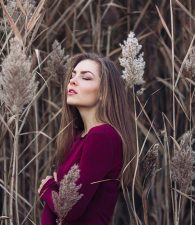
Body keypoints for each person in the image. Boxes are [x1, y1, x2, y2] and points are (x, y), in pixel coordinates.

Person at [37, 53, 139, 225]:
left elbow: (69, 207)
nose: (73, 80)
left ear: (103, 93)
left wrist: (47, 188)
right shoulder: (80, 138)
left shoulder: (102, 137)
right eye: (73, 75)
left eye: (85, 77)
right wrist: (54, 189)